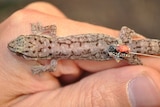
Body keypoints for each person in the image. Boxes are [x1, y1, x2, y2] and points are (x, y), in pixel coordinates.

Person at [0, 2, 160, 107]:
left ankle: (137, 58)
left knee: (132, 57)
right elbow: (53, 29)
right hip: (113, 46)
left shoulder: (53, 60)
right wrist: (40, 31)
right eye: (22, 52)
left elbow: (51, 66)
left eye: (22, 52)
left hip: (111, 50)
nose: (14, 48)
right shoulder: (53, 39)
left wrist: (40, 69)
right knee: (126, 44)